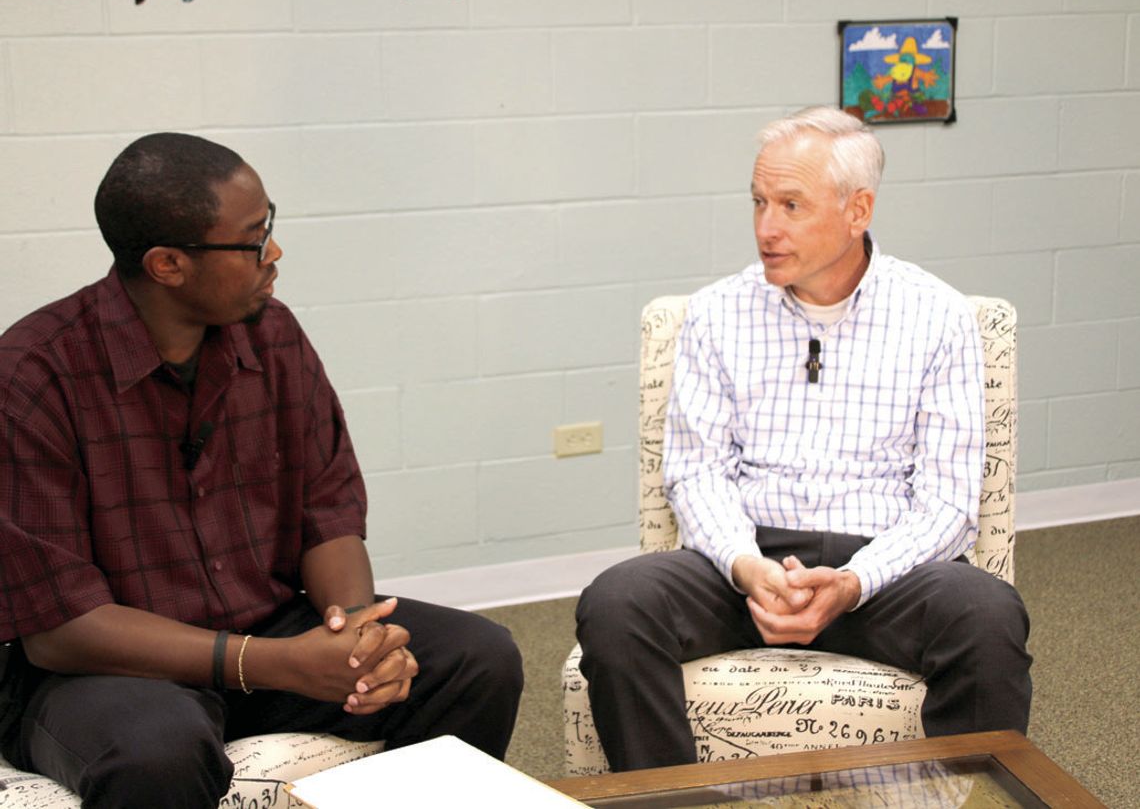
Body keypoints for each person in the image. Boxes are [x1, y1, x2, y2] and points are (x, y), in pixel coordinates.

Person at [0, 133, 523, 808]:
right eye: (252, 240)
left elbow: (327, 513)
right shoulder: (33, 375)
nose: (273, 254)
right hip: (106, 671)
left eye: (268, 225)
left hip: (267, 628)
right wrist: (274, 664)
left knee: (478, 660)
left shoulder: (272, 336)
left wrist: (358, 635)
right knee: (157, 751)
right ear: (167, 265)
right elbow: (60, 630)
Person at [576, 106, 1031, 771]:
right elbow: (696, 474)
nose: (766, 228)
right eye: (759, 202)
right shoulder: (714, 314)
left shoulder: (938, 316)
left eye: (791, 205)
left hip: (883, 570)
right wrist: (748, 566)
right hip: (745, 566)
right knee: (616, 604)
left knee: (989, 617)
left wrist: (853, 581)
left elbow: (948, 504)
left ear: (858, 209)